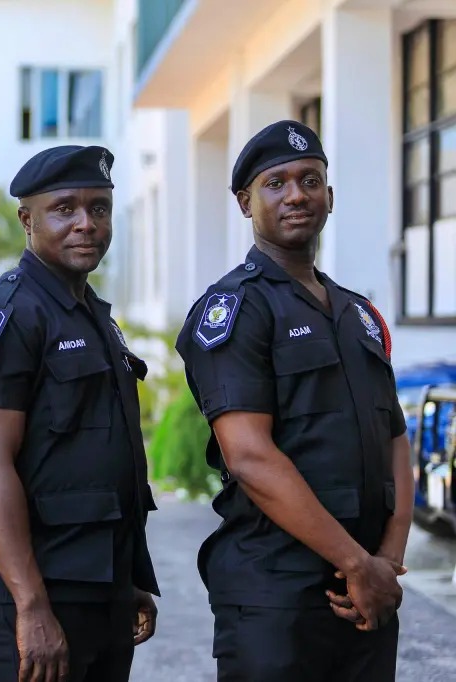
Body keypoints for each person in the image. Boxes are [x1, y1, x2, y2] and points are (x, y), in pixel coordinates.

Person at [175, 120, 412, 681]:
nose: (296, 194)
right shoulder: (235, 310)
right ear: (244, 202)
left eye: (310, 180)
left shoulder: (358, 314)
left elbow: (394, 437)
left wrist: (386, 564)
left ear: (329, 196)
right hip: (275, 590)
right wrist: (357, 562)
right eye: (275, 183)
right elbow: (249, 456)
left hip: (367, 592)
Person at [0, 145, 160, 682]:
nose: (86, 224)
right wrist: (30, 605)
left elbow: (103, 461)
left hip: (98, 591)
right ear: (27, 219)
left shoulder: (92, 317)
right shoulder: (8, 315)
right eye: (65, 209)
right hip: (32, 599)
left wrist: (128, 576)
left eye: (99, 209)